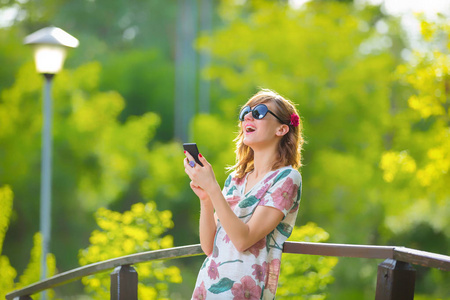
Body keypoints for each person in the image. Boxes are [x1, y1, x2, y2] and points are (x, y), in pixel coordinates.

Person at [184, 89, 304, 299]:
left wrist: (213, 188)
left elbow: (243, 240)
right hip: (207, 286)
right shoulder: (236, 179)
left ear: (282, 129)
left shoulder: (287, 178)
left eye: (259, 112)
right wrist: (206, 200)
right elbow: (209, 246)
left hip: (244, 290)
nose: (248, 116)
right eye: (245, 113)